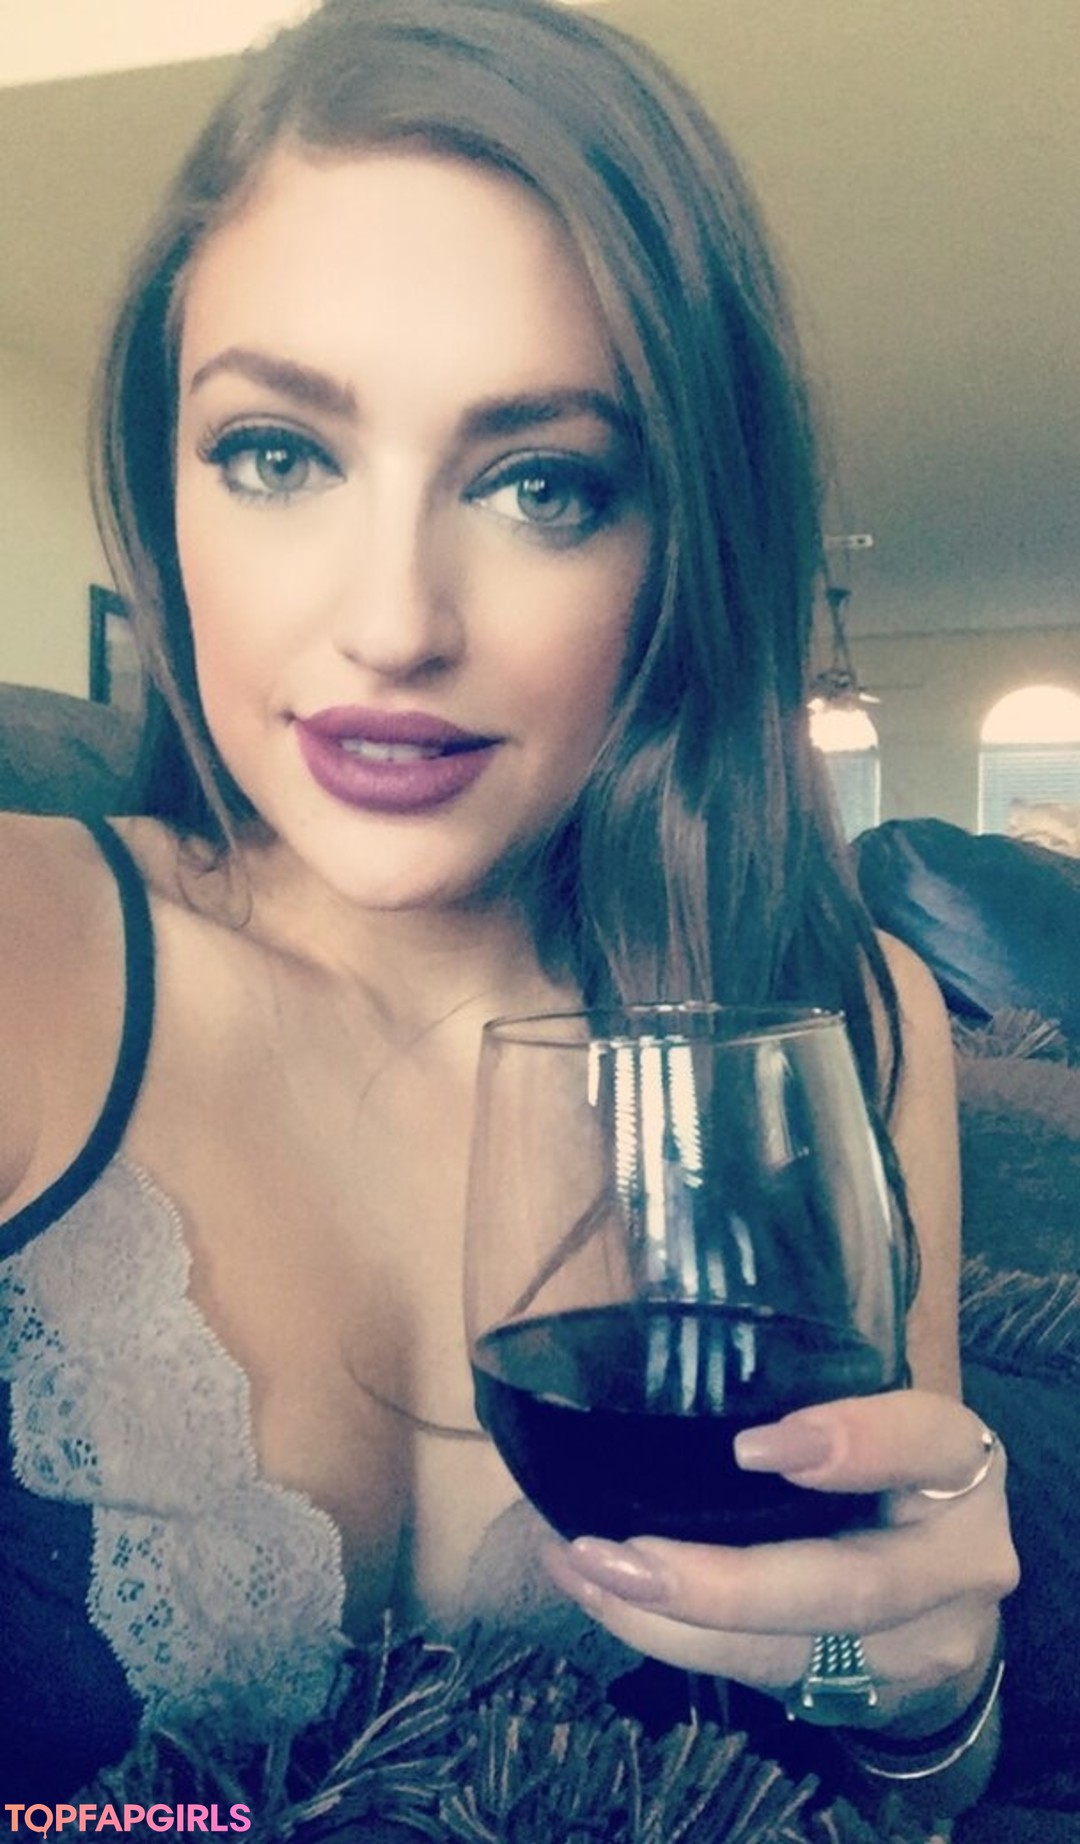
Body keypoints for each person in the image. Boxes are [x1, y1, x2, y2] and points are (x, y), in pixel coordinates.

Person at [0, 0, 1017, 1819]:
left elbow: (888, 1745)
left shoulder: (850, 1020)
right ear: (166, 486)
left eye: (543, 483)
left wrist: (921, 1685)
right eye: (278, 453)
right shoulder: (20, 945)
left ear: (685, 541)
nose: (394, 623)